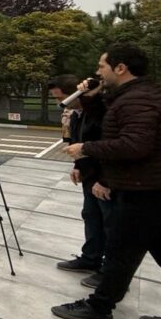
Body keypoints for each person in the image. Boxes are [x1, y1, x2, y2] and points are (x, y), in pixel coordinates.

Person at [53, 44, 161, 319]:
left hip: (143, 191)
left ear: (121, 68)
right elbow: (108, 124)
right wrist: (92, 99)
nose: (98, 72)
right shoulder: (138, 95)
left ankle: (99, 306)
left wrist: (86, 149)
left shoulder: (138, 100)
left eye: (102, 66)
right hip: (155, 190)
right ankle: (101, 303)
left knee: (121, 252)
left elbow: (135, 144)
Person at [50, 75, 111, 289]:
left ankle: (110, 273)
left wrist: (104, 179)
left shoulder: (101, 112)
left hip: (105, 178)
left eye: (62, 98)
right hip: (89, 176)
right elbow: (77, 144)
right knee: (90, 215)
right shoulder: (76, 115)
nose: (60, 104)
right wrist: (77, 167)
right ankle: (90, 258)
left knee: (109, 223)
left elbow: (110, 146)